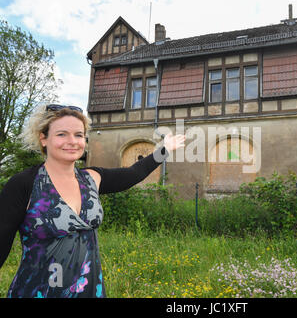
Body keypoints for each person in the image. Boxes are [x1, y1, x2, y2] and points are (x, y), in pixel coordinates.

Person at [0, 104, 185, 298]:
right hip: (37, 292)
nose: (72, 141)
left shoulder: (91, 179)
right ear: (43, 138)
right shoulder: (25, 184)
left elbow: (134, 173)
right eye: (62, 134)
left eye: (79, 135)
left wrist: (164, 150)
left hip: (89, 290)